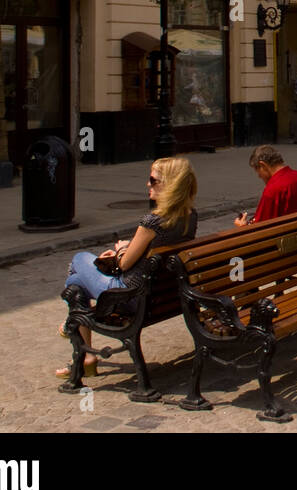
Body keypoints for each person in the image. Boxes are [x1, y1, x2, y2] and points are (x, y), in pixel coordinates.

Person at [57, 157, 198, 378]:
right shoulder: (189, 215)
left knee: (79, 259)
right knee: (75, 284)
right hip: (165, 295)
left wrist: (121, 249)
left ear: (170, 184)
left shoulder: (152, 222)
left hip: (129, 295)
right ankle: (87, 357)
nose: (148, 184)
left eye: (153, 180)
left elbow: (124, 264)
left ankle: (74, 330)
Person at [235, 145, 297, 226]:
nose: (259, 176)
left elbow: (260, 227)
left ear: (263, 165)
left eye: (258, 171)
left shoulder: (273, 189)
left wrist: (244, 226)